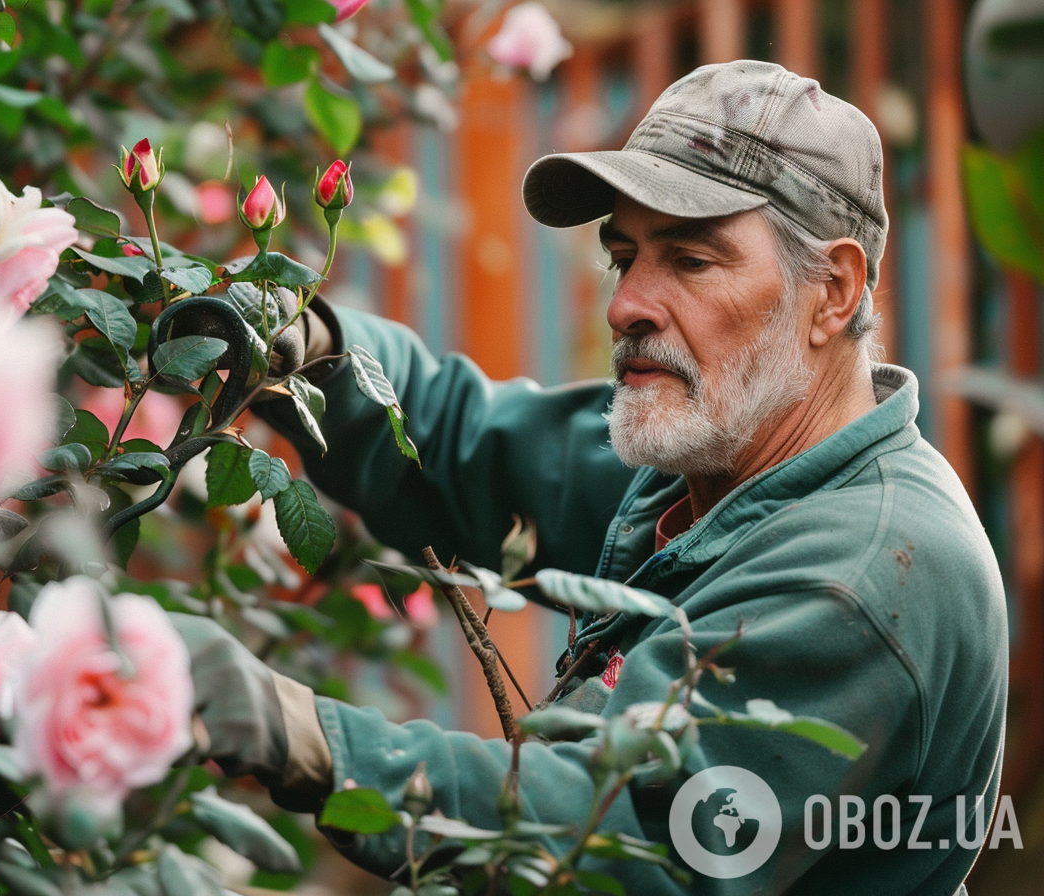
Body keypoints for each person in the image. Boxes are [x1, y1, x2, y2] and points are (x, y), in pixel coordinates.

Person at [173, 59, 1009, 894]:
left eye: (690, 260)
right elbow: (472, 442)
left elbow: (624, 834)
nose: (626, 304)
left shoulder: (859, 577)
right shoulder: (718, 460)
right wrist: (312, 344)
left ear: (833, 291)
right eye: (624, 256)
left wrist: (308, 738)